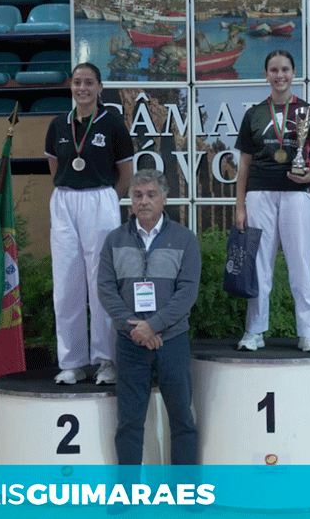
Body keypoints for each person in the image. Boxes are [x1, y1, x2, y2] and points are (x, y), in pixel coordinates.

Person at [97, 169, 200, 465]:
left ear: (164, 199)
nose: (144, 201)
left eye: (151, 195)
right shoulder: (114, 240)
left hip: (172, 342)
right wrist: (137, 329)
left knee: (182, 421)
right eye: (138, 195)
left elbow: (187, 293)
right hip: (130, 344)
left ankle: (185, 489)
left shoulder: (185, 239)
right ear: (131, 200)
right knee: (129, 424)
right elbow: (105, 289)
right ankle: (127, 490)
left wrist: (153, 326)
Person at [233, 49, 310, 352]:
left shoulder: (309, 112)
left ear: (294, 73)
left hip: (298, 194)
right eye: (274, 70)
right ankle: (254, 331)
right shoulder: (254, 114)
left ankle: (308, 334)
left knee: (301, 265)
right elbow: (244, 164)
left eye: (285, 69)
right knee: (259, 266)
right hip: (259, 194)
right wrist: (239, 207)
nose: (280, 75)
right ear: (266, 74)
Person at [45, 62, 134, 385]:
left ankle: (106, 360)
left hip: (101, 199)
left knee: (102, 282)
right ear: (71, 86)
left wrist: (108, 199)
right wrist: (71, 191)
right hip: (65, 201)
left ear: (99, 87)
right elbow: (55, 166)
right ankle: (71, 362)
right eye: (77, 82)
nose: (82, 88)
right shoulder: (59, 125)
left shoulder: (112, 123)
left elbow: (126, 173)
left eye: (88, 82)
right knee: (66, 283)